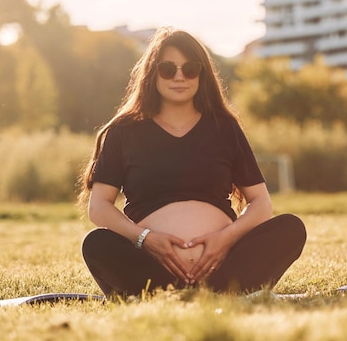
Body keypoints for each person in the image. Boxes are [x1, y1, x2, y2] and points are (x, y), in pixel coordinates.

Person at [78, 27, 306, 298]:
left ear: (202, 74)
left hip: (224, 267)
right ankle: (170, 294)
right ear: (152, 73)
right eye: (167, 69)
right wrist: (145, 238)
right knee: (97, 244)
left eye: (190, 68)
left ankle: (216, 293)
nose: (179, 76)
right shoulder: (123, 131)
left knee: (291, 228)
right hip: (152, 267)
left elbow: (261, 203)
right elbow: (99, 207)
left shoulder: (225, 128)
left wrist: (225, 239)